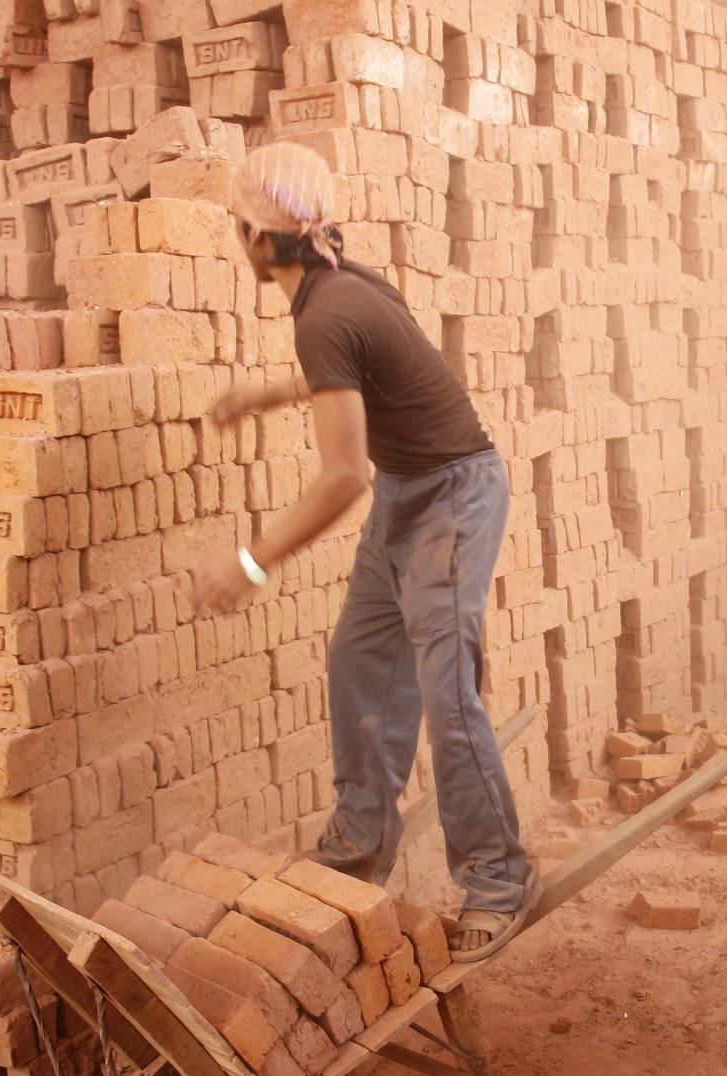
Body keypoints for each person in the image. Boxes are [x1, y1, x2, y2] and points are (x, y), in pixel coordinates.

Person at [191, 142, 536, 963]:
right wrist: (267, 394)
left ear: (265, 241)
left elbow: (342, 477)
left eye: (242, 226)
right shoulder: (336, 290)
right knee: (357, 657)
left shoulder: (327, 311)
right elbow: (355, 375)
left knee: (446, 692)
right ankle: (357, 849)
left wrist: (249, 562)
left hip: (451, 494)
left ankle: (496, 877)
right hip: (411, 492)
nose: (239, 239)